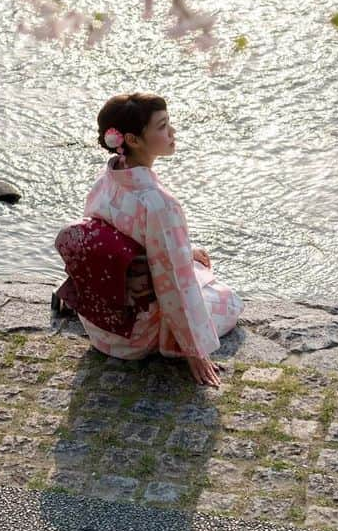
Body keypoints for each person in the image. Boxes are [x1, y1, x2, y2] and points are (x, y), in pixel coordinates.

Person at [62, 92, 242, 388]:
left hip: (98, 326)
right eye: (162, 126)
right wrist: (195, 351)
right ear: (132, 139)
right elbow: (174, 286)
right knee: (227, 299)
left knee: (193, 265)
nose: (172, 132)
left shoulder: (105, 180)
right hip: (135, 337)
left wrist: (185, 252)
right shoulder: (158, 204)